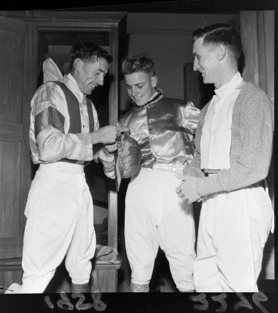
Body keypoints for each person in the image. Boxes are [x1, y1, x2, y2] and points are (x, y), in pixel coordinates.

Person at [11, 42, 127, 294]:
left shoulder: (90, 106)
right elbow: (49, 146)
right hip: (53, 183)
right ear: (77, 64)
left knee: (82, 260)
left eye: (104, 75)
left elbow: (87, 150)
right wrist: (97, 137)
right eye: (97, 72)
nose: (101, 80)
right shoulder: (50, 92)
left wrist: (108, 155)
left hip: (79, 184)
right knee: (39, 267)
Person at [175, 24, 274, 292]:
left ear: (220, 53)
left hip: (241, 203)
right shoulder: (209, 107)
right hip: (211, 202)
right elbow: (199, 156)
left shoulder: (253, 99)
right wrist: (192, 176)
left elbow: (254, 167)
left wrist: (200, 186)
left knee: (238, 287)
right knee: (205, 281)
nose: (195, 66)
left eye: (198, 56)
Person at [118, 55, 200, 292]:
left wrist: (197, 170)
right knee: (138, 255)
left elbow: (209, 137)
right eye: (129, 87)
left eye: (140, 85)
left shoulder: (181, 108)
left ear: (153, 80)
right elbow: (117, 166)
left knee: (183, 255)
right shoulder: (126, 119)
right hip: (138, 184)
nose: (134, 92)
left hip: (173, 183)